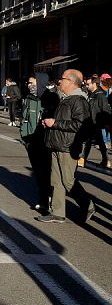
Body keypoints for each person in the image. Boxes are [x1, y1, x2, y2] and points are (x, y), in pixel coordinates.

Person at [36, 69, 95, 224]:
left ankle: (87, 205)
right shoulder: (67, 99)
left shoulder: (79, 101)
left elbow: (80, 125)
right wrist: (50, 123)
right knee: (56, 180)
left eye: (62, 78)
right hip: (57, 144)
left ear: (70, 81)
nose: (59, 82)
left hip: (68, 146)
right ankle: (57, 212)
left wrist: (54, 123)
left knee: (68, 180)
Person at [20, 73, 58, 214]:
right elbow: (24, 118)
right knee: (38, 173)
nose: (29, 86)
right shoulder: (28, 99)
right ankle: (42, 200)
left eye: (32, 83)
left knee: (48, 172)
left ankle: (51, 201)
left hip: (46, 142)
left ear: (40, 83)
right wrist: (24, 137)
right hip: (31, 141)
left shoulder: (51, 97)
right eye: (28, 83)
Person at [79, 75, 111, 169]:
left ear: (94, 84)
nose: (87, 86)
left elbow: (106, 110)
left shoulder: (100, 95)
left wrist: (105, 123)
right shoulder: (91, 95)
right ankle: (105, 160)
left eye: (88, 84)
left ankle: (84, 158)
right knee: (96, 141)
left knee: (91, 141)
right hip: (90, 122)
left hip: (96, 123)